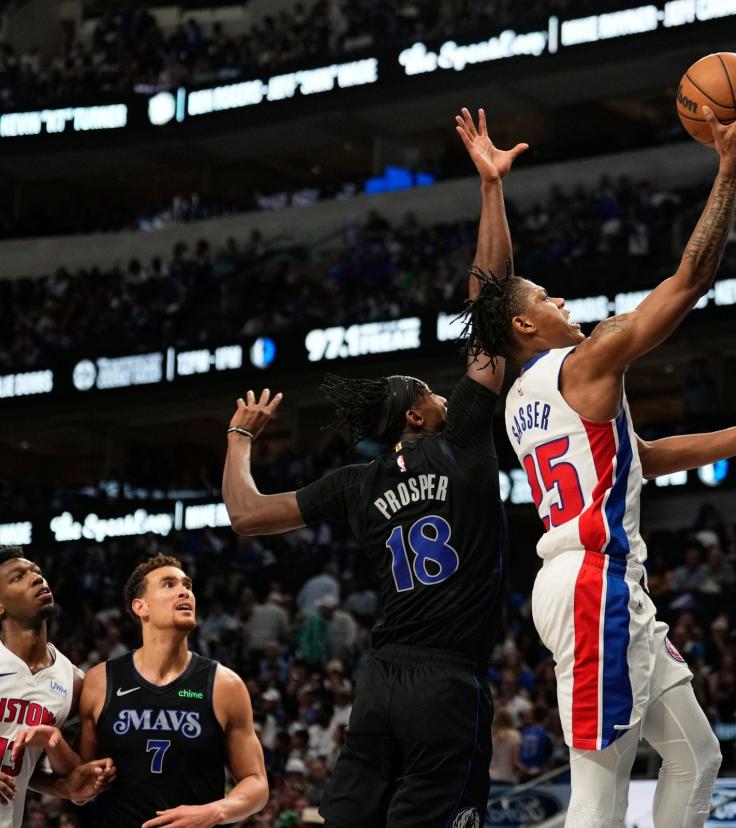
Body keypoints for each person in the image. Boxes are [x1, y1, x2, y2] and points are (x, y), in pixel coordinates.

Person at [461, 82, 736, 828]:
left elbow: (642, 454)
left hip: (606, 583)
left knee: (695, 756)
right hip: (592, 585)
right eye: (548, 300)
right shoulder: (584, 363)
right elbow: (690, 281)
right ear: (526, 325)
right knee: (599, 789)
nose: (564, 305)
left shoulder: (522, 392)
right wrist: (730, 169)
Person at [220, 106, 525, 827]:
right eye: (429, 390)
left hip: (381, 679)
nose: (442, 393)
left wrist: (238, 436)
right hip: (447, 678)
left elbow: (246, 515)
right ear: (418, 415)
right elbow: (488, 301)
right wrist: (489, 189)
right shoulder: (466, 435)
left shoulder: (357, 484)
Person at [79, 555, 268, 826]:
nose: (185, 592)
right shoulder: (101, 681)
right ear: (140, 606)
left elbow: (257, 783)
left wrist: (215, 811)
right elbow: (80, 787)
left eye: (187, 585)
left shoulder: (225, 685)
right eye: (169, 584)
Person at [0, 549, 117, 826]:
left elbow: (32, 772)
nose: (36, 579)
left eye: (37, 573)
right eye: (19, 577)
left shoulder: (73, 681)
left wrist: (66, 787)